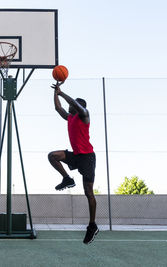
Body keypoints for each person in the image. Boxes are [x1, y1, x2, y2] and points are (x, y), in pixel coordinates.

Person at [48, 82, 98, 245]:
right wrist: (56, 93)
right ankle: (67, 179)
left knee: (88, 192)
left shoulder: (84, 116)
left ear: (78, 107)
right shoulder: (70, 118)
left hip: (88, 158)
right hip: (76, 156)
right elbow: (58, 108)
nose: (69, 107)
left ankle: (92, 226)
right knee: (52, 156)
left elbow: (74, 104)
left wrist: (63, 94)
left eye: (73, 104)